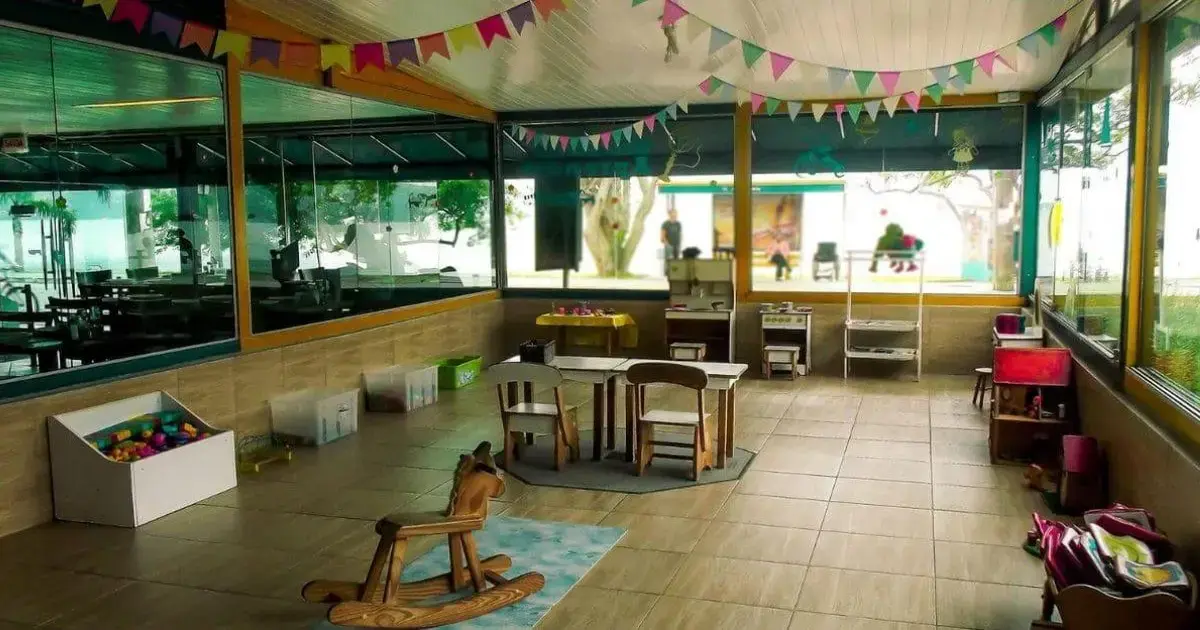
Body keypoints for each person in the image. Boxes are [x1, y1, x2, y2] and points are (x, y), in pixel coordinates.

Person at [660, 208, 682, 274]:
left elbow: (679, 234)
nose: (675, 214)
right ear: (669, 214)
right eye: (673, 213)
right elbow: (662, 235)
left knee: (676, 259)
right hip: (669, 244)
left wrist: (680, 243)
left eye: (676, 213)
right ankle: (667, 273)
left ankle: (675, 273)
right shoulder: (665, 223)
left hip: (677, 244)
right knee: (668, 260)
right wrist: (666, 243)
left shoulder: (678, 224)